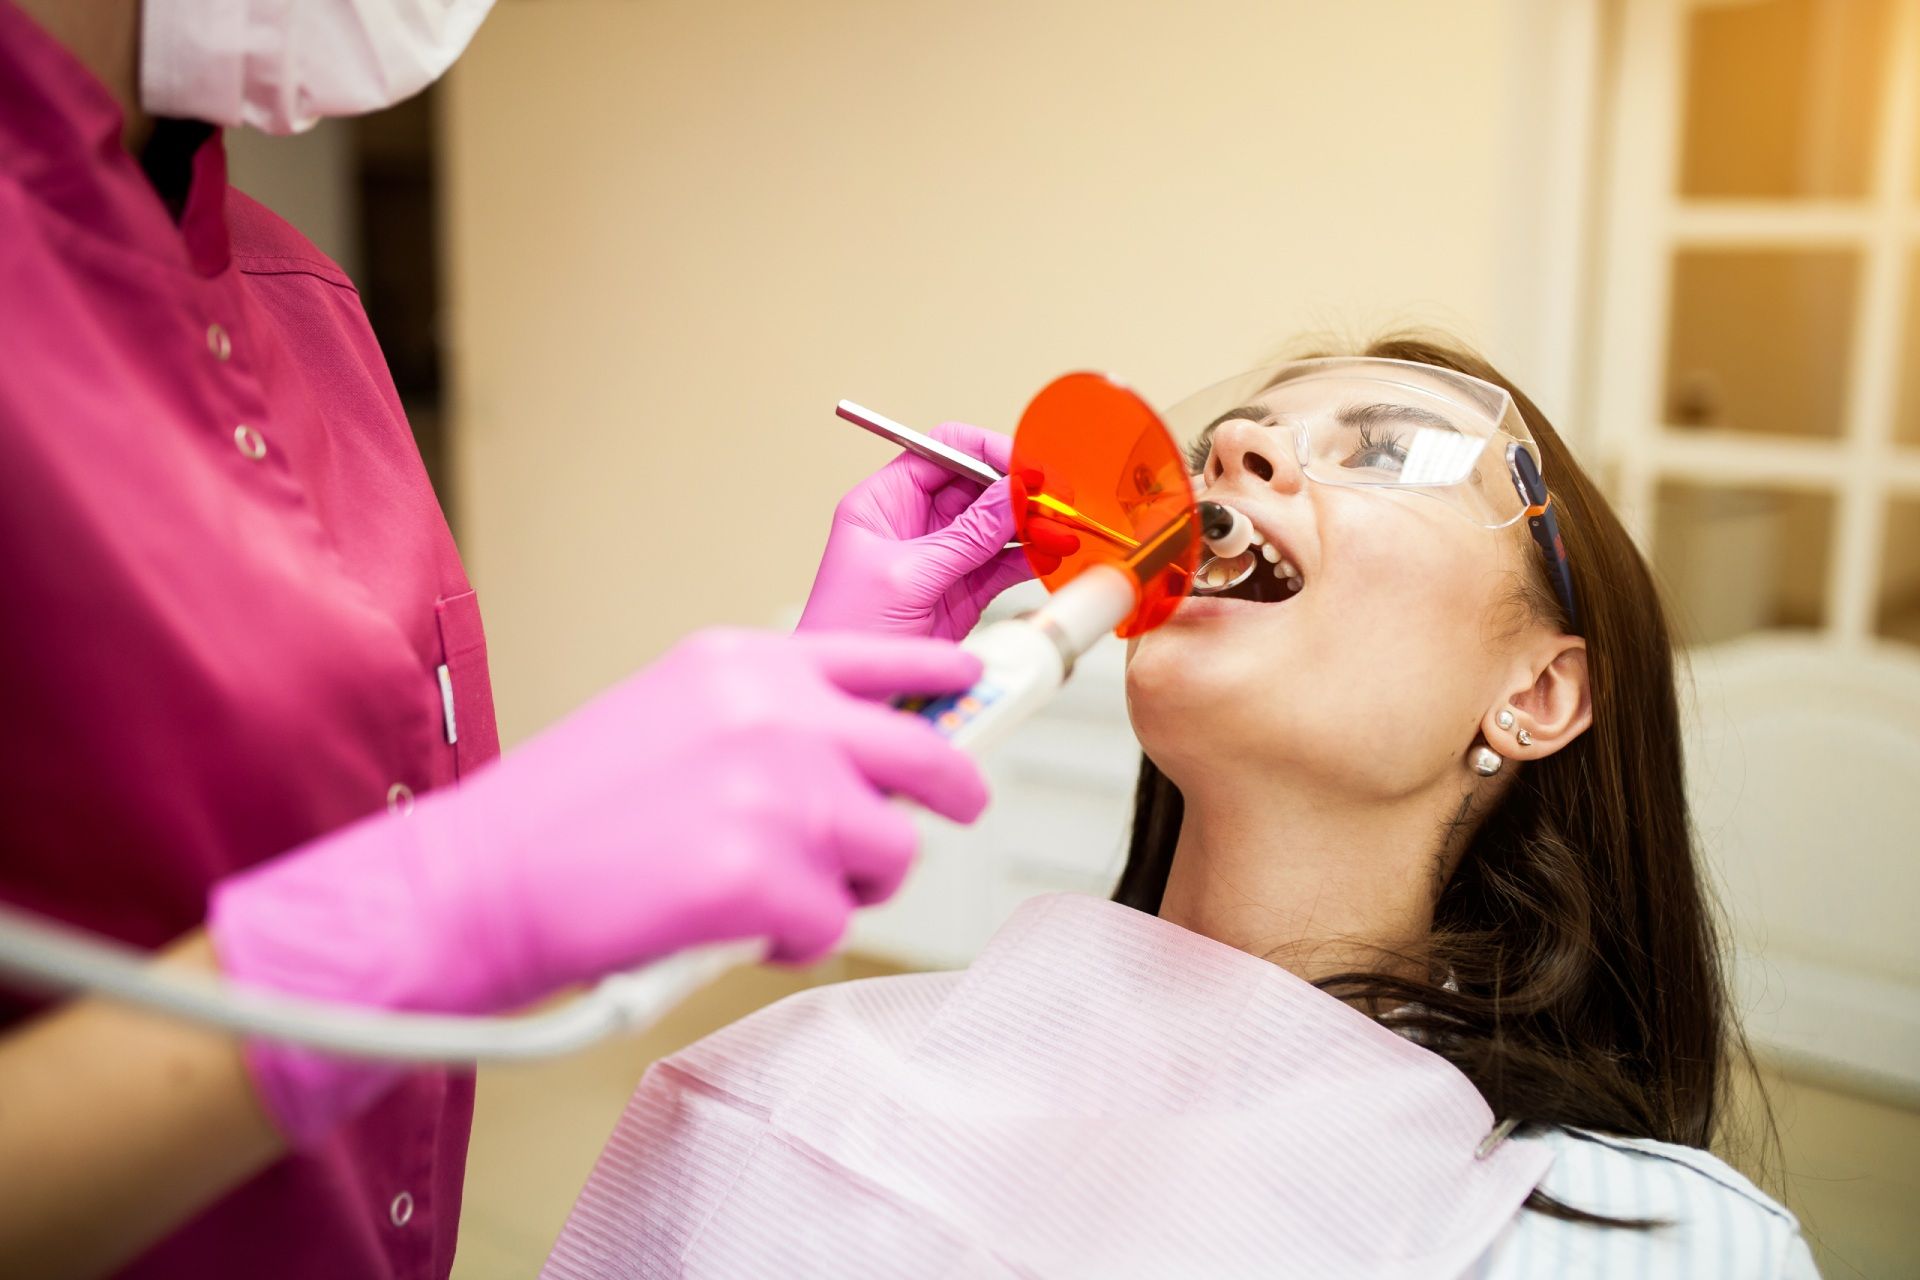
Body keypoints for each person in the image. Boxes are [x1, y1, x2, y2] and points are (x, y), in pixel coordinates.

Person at [0, 0, 1032, 1275]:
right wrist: (440, 913)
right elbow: (420, 915)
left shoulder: (291, 293)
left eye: (1366, 443)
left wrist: (795, 724)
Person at [541, 339, 1821, 1278]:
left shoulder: (1670, 1247)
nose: (1229, 452)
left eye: (1380, 449)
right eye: (1240, 433)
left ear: (1538, 692)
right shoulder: (781, 1080)